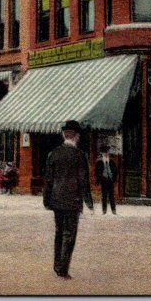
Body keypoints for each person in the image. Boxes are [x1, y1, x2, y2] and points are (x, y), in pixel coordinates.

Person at [43, 120, 94, 280]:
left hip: (57, 200)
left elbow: (48, 180)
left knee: (59, 233)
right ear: (76, 137)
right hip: (73, 201)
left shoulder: (53, 154)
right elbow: (84, 181)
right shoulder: (80, 156)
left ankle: (57, 265)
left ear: (64, 135)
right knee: (69, 235)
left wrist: (46, 200)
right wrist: (89, 202)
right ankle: (63, 269)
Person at [94, 145, 118, 215]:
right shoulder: (99, 162)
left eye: (107, 152)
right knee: (104, 196)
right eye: (105, 152)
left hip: (110, 180)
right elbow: (96, 172)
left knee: (111, 196)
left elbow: (115, 171)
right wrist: (99, 178)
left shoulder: (111, 162)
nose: (106, 154)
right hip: (103, 181)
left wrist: (114, 179)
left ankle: (114, 211)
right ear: (102, 153)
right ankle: (104, 211)